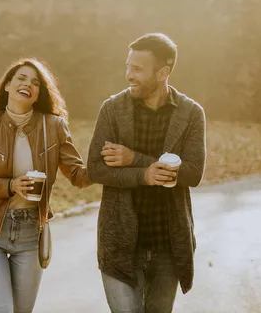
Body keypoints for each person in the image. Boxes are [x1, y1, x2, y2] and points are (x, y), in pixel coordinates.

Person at [87, 33, 207, 313]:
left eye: (137, 69)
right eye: (128, 66)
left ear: (163, 72)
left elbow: (193, 172)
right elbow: (95, 168)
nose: (129, 75)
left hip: (167, 245)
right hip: (119, 242)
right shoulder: (112, 109)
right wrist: (144, 175)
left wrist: (133, 159)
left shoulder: (191, 113)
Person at [0, 58, 91, 313]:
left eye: (35, 82)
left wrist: (107, 161)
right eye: (21, 78)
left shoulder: (53, 126)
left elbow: (78, 175)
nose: (28, 84)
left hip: (31, 235)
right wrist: (10, 186)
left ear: (38, 94)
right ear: (8, 85)